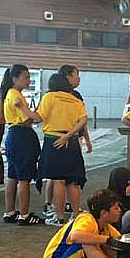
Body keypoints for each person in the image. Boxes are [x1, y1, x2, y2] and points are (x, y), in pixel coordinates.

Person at [36, 73, 88, 226]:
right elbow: (83, 120)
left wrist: (22, 108)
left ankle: (59, 217)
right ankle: (76, 215)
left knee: (58, 181)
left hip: (54, 140)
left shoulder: (49, 97)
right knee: (72, 182)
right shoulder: (75, 99)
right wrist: (69, 135)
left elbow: (38, 117)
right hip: (72, 141)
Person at [43, 189, 123, 258]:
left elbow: (121, 244)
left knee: (114, 248)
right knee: (88, 242)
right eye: (116, 208)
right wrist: (107, 240)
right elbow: (75, 236)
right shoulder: (86, 219)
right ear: (104, 213)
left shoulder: (106, 227)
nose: (120, 210)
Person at [0, 64, 44, 225]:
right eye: (26, 77)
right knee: (24, 178)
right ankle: (24, 215)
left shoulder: (9, 93)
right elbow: (28, 119)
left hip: (13, 135)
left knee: (13, 176)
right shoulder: (16, 96)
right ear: (15, 79)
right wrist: (35, 113)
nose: (28, 80)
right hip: (21, 136)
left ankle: (10, 212)